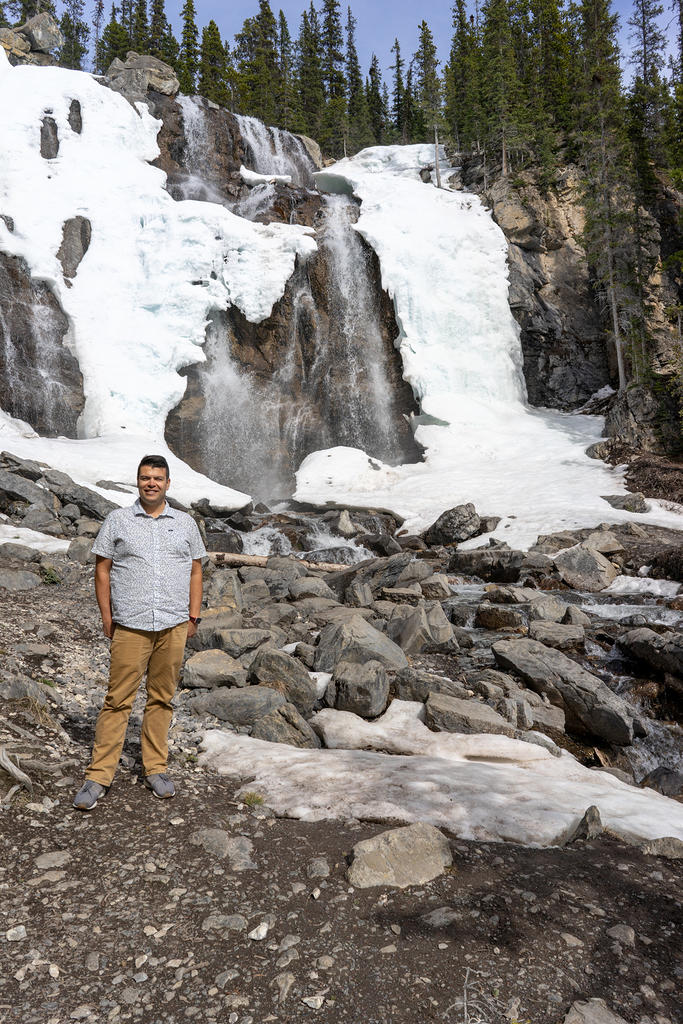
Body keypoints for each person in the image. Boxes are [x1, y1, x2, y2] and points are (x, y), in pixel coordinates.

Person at [73, 455, 206, 810]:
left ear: (168, 483)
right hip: (130, 623)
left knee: (162, 697)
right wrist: (107, 616)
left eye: (157, 478)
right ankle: (99, 775)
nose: (151, 483)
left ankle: (155, 768)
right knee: (118, 700)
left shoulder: (185, 523)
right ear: (137, 481)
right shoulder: (117, 520)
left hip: (174, 623)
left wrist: (193, 617)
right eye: (145, 477)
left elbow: (195, 571)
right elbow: (102, 571)